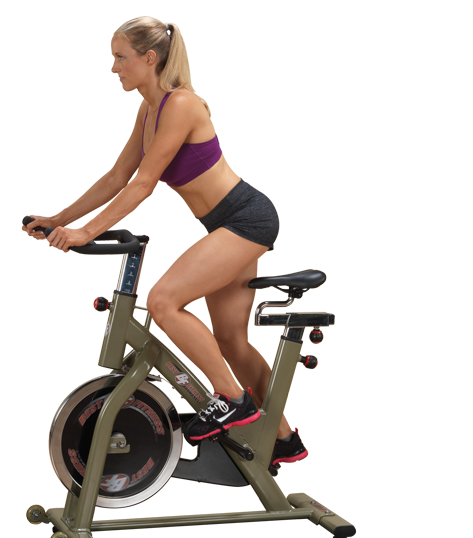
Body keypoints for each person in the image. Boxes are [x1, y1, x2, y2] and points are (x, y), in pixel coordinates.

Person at [23, 17, 307, 468]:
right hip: (225, 223)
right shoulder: (148, 110)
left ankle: (233, 400)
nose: (114, 67)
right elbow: (118, 177)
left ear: (149, 58)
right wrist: (60, 220)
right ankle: (285, 435)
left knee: (163, 301)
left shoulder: (181, 104)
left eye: (121, 57)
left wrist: (87, 231)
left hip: (245, 218)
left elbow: (143, 183)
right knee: (231, 340)